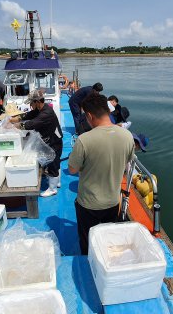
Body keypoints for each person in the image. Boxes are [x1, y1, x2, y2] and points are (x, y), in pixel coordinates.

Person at [68, 93, 135, 255]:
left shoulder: (84, 140)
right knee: (108, 241)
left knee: (88, 241)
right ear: (108, 111)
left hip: (89, 203)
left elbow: (72, 169)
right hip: (113, 201)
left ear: (90, 116)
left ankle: (88, 264)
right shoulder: (127, 136)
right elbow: (128, 162)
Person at [10, 90, 63, 197]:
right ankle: (57, 182)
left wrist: (15, 126)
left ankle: (52, 189)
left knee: (53, 163)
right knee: (55, 162)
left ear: (38, 102)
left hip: (54, 142)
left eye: (31, 103)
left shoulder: (46, 113)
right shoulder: (41, 108)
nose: (30, 105)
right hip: (51, 139)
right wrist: (16, 118)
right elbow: (29, 115)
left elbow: (31, 124)